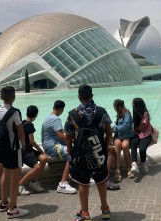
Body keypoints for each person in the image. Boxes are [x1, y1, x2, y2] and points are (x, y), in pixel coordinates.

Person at [64, 84, 112, 220]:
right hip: (99, 152)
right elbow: (109, 132)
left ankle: (85, 213)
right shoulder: (102, 112)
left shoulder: (73, 114)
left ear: (79, 97)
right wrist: (105, 147)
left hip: (81, 154)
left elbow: (68, 136)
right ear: (92, 96)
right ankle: (105, 209)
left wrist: (69, 152)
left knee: (83, 183)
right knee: (101, 180)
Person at [0, 86, 29, 219]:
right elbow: (21, 132)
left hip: (3, 148)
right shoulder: (15, 112)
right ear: (13, 97)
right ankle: (12, 209)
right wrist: (23, 145)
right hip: (14, 149)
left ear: (1, 97)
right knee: (15, 178)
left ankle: (4, 202)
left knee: (6, 173)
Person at [41, 100, 77, 194]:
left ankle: (76, 176)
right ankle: (63, 183)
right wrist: (73, 139)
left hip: (48, 146)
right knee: (72, 154)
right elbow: (61, 136)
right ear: (62, 109)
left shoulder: (48, 117)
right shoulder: (56, 119)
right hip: (53, 146)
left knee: (76, 148)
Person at [18, 105, 48, 195]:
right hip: (25, 152)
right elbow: (32, 141)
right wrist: (42, 151)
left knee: (44, 158)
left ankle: (34, 182)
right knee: (37, 167)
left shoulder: (22, 123)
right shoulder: (30, 125)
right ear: (35, 115)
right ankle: (20, 185)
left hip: (26, 151)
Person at [129, 98, 152, 178]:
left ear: (137, 105)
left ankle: (143, 162)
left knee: (142, 149)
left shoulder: (145, 114)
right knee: (133, 143)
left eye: (133, 103)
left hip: (146, 134)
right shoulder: (135, 113)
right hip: (137, 134)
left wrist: (132, 130)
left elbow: (141, 127)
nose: (132, 105)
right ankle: (134, 163)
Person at [111, 99, 133, 181]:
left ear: (117, 106)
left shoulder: (128, 115)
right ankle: (117, 170)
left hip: (127, 135)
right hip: (118, 136)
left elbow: (125, 127)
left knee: (125, 145)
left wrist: (112, 128)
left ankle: (129, 168)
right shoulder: (119, 114)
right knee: (117, 145)